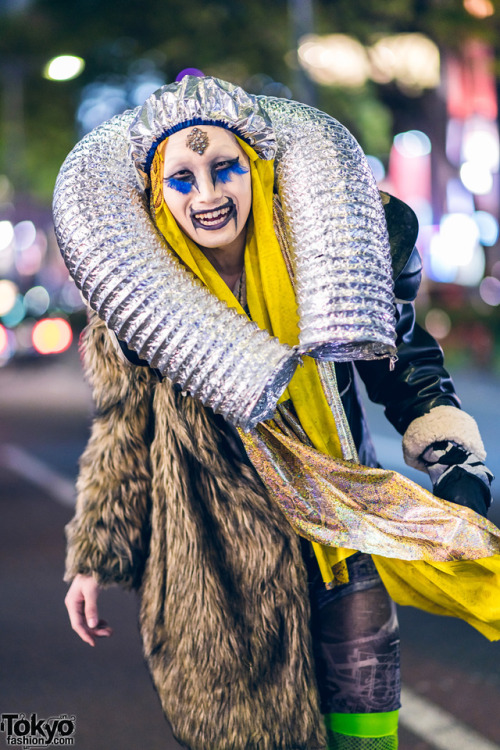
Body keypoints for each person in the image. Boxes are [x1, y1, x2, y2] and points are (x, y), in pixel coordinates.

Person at [57, 75, 499, 750]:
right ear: (155, 191)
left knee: (367, 739)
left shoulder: (319, 256)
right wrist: (95, 557)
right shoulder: (137, 305)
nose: (207, 195)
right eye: (183, 178)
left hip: (347, 545)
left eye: (224, 168)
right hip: (218, 578)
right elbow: (124, 431)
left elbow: (401, 360)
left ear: (254, 168)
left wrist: (454, 460)